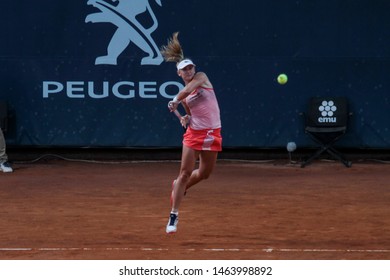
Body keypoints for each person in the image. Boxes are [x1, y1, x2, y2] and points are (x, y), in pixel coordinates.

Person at [160, 32, 222, 234]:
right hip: (194, 135)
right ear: (179, 74)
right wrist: (185, 118)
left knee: (205, 174)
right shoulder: (185, 97)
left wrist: (175, 99)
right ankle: (174, 215)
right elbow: (189, 113)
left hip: (213, 133)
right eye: (184, 70)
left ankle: (179, 185)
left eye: (190, 67)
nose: (188, 71)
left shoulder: (201, 78)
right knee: (185, 173)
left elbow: (187, 91)